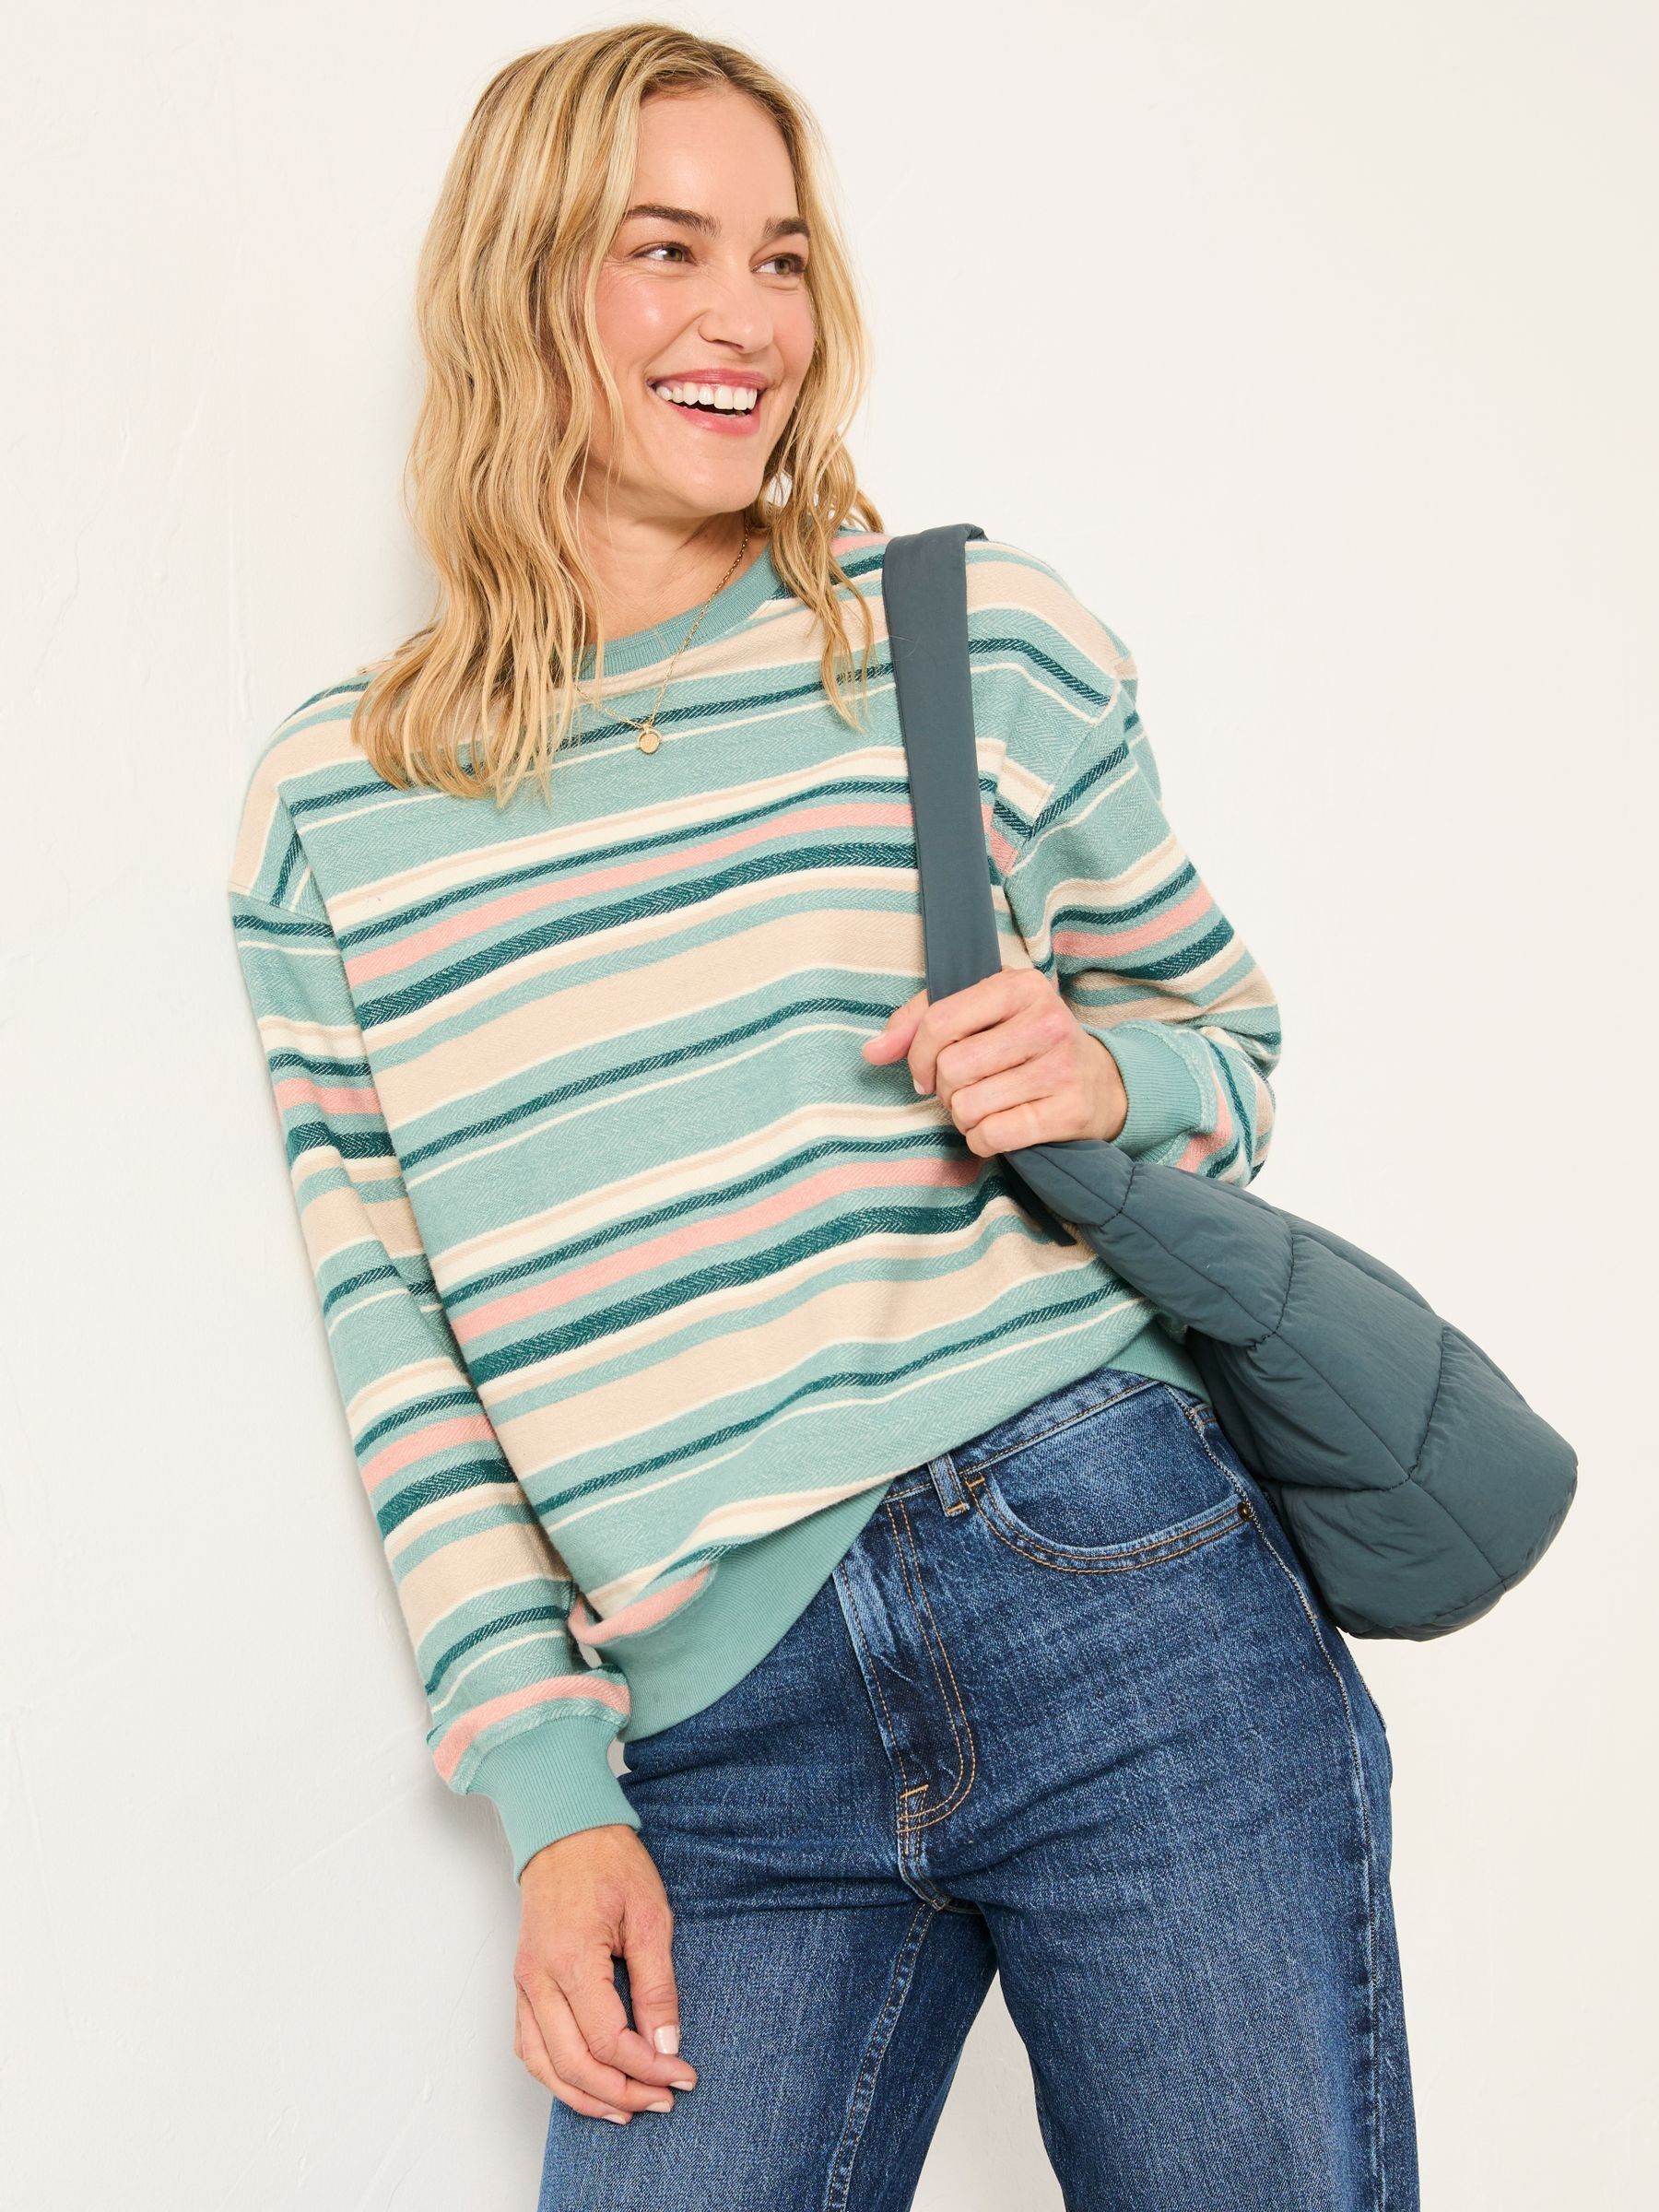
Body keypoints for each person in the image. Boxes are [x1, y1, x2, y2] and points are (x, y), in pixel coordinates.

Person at [225, 23, 1418, 2210]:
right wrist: (555, 1794)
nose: (746, 320)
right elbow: (398, 1342)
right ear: (519, 280)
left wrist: (1103, 1073)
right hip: (710, 1733)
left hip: (1114, 1584)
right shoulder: (343, 808)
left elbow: (1219, 1045)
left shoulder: (966, 646)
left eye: (780, 257)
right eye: (664, 248)